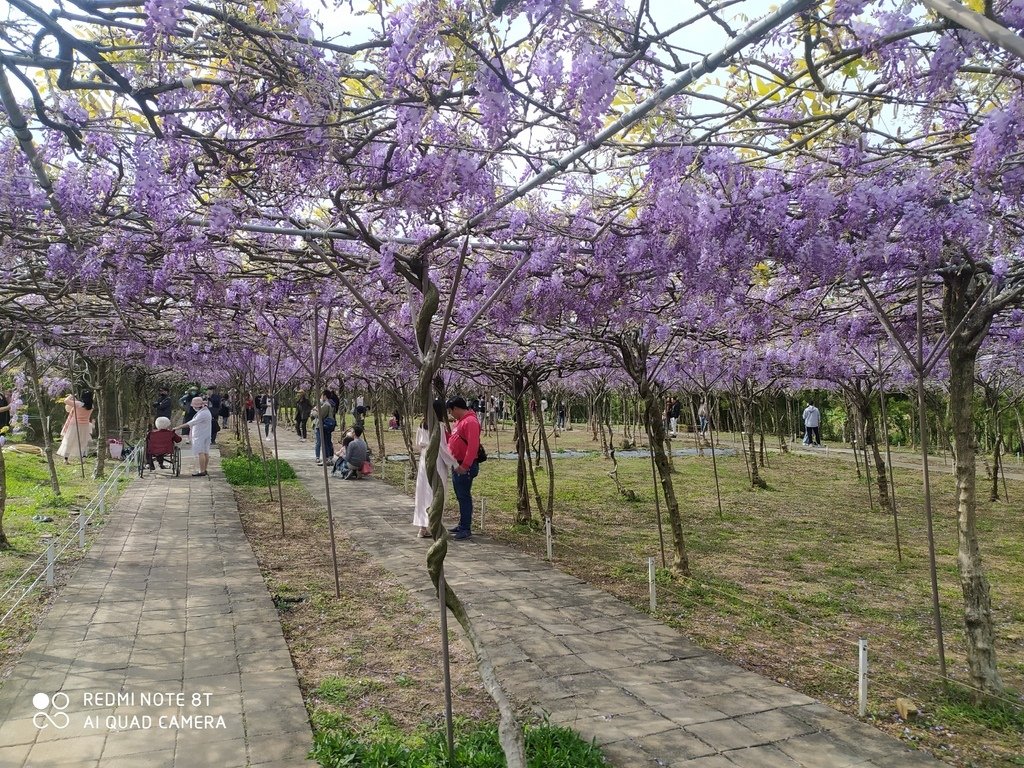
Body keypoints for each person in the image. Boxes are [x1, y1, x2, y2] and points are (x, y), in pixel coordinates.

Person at [413, 400, 458, 538]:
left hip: (424, 459)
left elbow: (418, 443)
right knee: (437, 492)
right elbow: (443, 449)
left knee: (423, 493)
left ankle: (422, 527)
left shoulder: (422, 425)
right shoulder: (439, 426)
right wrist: (455, 463)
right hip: (437, 461)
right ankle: (435, 525)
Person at [446, 396, 481, 540]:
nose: (450, 414)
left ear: (455, 408)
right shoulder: (460, 421)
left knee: (464, 496)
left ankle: (466, 528)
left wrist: (465, 466)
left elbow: (473, 446)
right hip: (456, 464)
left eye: (450, 411)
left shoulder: (470, 422)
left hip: (464, 466)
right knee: (460, 496)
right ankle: (462, 524)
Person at [176, 396, 212, 477]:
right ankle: (204, 469)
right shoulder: (205, 411)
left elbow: (191, 423)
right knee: (205, 452)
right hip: (205, 434)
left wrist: (177, 427)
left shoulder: (202, 414)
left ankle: (202, 471)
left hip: (200, 435)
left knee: (201, 452)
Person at [56, 392, 94, 464]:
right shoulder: (91, 406)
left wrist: (71, 395)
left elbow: (66, 401)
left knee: (69, 441)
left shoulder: (78, 404)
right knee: (83, 441)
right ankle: (83, 458)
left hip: (74, 425)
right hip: (85, 425)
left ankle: (66, 459)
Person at [314, 392, 335, 465]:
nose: (321, 396)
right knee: (328, 442)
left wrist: (314, 411)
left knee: (325, 442)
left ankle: (326, 459)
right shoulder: (329, 404)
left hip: (323, 425)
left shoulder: (326, 404)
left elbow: (320, 415)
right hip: (328, 425)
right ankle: (329, 458)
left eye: (322, 395)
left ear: (325, 396)